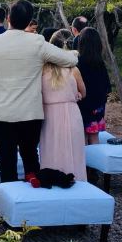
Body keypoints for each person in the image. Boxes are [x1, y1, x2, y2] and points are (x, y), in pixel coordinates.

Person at [0, 0, 79, 183]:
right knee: (31, 163)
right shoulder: (37, 42)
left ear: (8, 18)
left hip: (1, 113)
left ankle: (6, 207)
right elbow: (68, 60)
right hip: (30, 115)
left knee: (7, 165)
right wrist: (76, 53)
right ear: (29, 20)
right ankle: (33, 204)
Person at [39, 30, 87, 181]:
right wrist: (75, 95)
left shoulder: (41, 69)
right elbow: (83, 92)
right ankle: (76, 183)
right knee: (73, 151)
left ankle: (51, 183)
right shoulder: (74, 69)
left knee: (51, 150)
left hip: (49, 114)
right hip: (71, 113)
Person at [77, 27, 112, 144]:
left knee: (82, 137)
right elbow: (107, 87)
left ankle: (83, 162)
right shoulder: (100, 63)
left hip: (83, 106)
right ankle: (95, 161)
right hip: (98, 107)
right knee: (94, 136)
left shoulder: (79, 62)